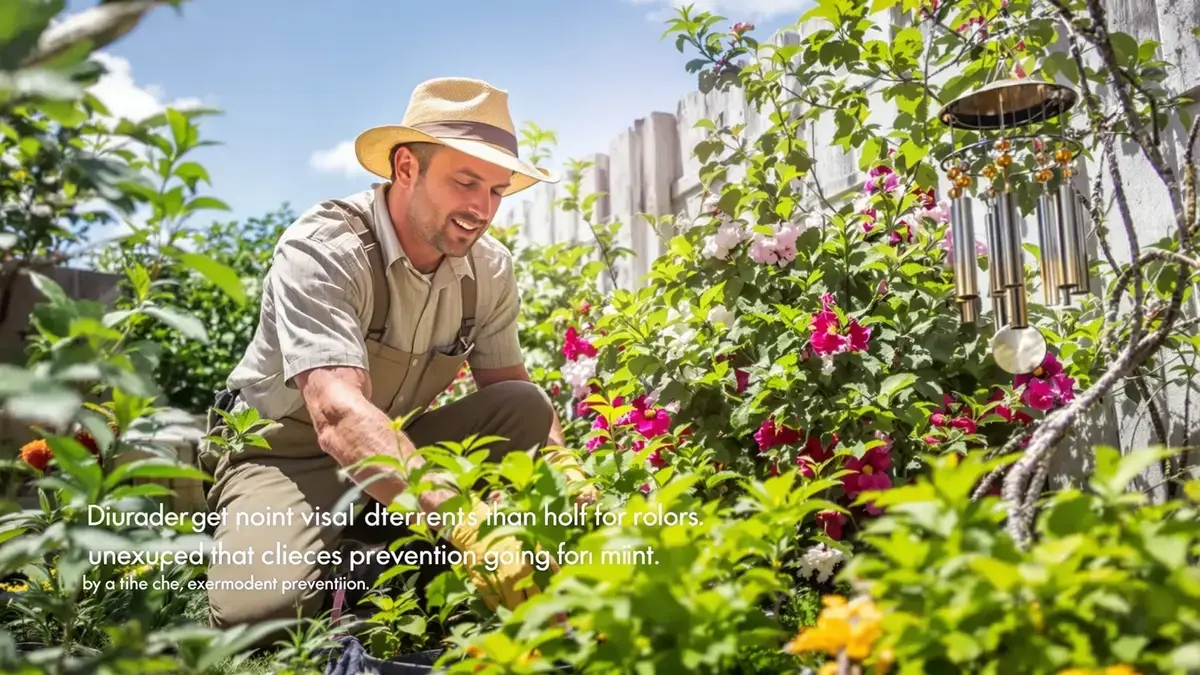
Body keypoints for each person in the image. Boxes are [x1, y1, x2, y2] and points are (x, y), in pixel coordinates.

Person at [197, 77, 596, 636]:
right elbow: (336, 413)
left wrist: (569, 476)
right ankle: (338, 549)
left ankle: (373, 541)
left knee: (523, 404)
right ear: (406, 167)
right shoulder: (324, 249)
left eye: (497, 191)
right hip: (284, 453)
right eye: (466, 182)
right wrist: (465, 522)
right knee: (260, 618)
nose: (482, 209)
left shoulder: (490, 269)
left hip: (393, 447)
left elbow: (509, 385)